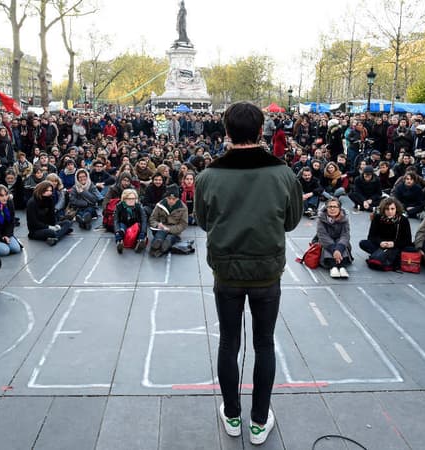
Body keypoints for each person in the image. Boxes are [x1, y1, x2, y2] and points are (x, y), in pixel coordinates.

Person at [194, 102, 303, 445]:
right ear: (261, 132)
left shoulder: (208, 176)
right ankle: (258, 422)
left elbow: (202, 221)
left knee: (229, 343)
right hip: (266, 272)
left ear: (226, 133)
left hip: (226, 271)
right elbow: (291, 221)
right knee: (264, 344)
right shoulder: (283, 173)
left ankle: (232, 414)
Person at [359, 197, 413, 271]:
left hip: (396, 246)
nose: (390, 211)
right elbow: (371, 236)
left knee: (411, 249)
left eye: (392, 209)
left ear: (396, 209)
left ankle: (380, 256)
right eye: (387, 209)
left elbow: (407, 240)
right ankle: (384, 256)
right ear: (383, 209)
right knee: (363, 243)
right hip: (381, 245)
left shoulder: (403, 220)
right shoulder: (377, 218)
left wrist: (394, 244)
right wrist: (380, 242)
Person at [26, 181, 73, 246]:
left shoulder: (50, 199)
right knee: (52, 232)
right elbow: (33, 222)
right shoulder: (32, 202)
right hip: (36, 230)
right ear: (41, 190)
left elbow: (51, 216)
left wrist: (55, 225)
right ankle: (60, 234)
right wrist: (49, 227)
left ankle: (56, 237)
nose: (49, 192)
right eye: (47, 190)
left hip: (48, 225)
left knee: (67, 222)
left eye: (50, 190)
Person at [316, 197, 352, 278]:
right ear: (326, 208)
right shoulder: (321, 219)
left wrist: (339, 249)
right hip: (325, 242)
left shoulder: (345, 219)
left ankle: (342, 267)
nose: (332, 209)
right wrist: (334, 250)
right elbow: (322, 235)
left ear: (339, 208)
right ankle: (333, 266)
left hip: (339, 241)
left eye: (335, 207)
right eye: (330, 206)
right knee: (326, 245)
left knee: (342, 244)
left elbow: (345, 235)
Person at [149, 185, 188, 257]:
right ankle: (155, 245)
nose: (171, 201)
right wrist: (157, 225)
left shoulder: (183, 208)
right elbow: (152, 218)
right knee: (159, 237)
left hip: (174, 231)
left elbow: (183, 224)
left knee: (169, 239)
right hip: (161, 228)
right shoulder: (160, 205)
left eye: (174, 199)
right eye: (169, 198)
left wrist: (170, 229)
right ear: (166, 197)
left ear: (177, 199)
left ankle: (162, 248)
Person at [114, 188, 148, 253]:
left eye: (133, 199)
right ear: (124, 199)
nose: (132, 200)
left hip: (135, 224)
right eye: (129, 199)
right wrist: (117, 232)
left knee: (139, 228)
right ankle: (119, 243)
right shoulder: (119, 206)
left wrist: (143, 232)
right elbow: (116, 220)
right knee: (121, 229)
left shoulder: (138, 205)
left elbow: (144, 219)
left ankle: (140, 241)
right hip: (124, 223)